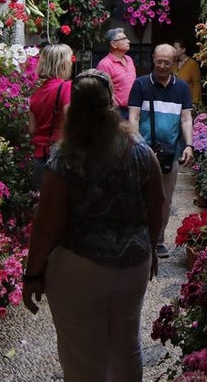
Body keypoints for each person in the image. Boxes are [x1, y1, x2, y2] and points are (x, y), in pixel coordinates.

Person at [21, 68, 165, 382]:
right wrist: (150, 248)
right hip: (133, 264)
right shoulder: (141, 151)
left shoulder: (65, 158)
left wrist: (33, 273)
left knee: (82, 355)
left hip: (79, 267)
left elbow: (46, 224)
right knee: (126, 347)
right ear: (112, 101)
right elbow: (158, 205)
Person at [127, 43, 194, 259]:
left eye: (167, 62)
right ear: (153, 60)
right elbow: (134, 117)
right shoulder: (140, 85)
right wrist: (135, 143)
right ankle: (139, 237)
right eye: (159, 62)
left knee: (164, 198)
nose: (163, 66)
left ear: (174, 63)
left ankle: (158, 239)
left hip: (170, 153)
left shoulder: (182, 88)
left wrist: (189, 145)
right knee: (139, 196)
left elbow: (186, 118)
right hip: (144, 151)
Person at [28, 43, 73, 188]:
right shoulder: (66, 87)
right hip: (59, 155)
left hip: (39, 157)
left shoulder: (36, 93)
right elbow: (69, 117)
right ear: (63, 63)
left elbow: (32, 129)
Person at [97, 27, 136, 121]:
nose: (129, 41)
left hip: (133, 109)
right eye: (124, 39)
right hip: (117, 112)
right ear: (113, 44)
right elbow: (103, 92)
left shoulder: (129, 60)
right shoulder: (105, 64)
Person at [172, 39, 202, 107]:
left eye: (175, 48)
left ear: (183, 50)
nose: (173, 50)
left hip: (187, 101)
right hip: (174, 101)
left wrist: (195, 102)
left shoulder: (192, 65)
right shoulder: (173, 64)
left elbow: (196, 85)